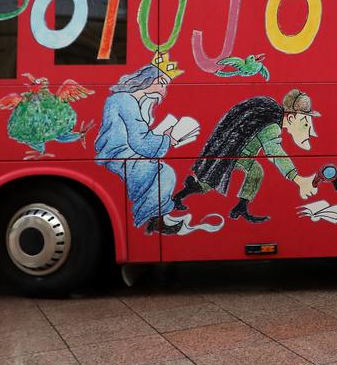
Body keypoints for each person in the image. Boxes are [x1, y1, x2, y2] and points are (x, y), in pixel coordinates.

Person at [172, 90, 320, 223]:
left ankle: (239, 207)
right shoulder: (272, 127)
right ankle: (184, 194)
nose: (306, 125)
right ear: (291, 118)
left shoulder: (270, 114)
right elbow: (275, 152)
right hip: (236, 153)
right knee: (210, 182)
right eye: (304, 120)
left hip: (237, 152)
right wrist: (298, 179)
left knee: (252, 172)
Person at [94, 58, 197, 235]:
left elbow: (139, 138)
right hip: (118, 154)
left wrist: (163, 136)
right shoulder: (126, 101)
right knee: (163, 173)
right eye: (162, 83)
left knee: (160, 171)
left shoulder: (131, 100)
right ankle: (148, 219)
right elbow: (139, 141)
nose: (164, 90)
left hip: (125, 151)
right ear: (151, 79)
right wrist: (168, 139)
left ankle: (156, 219)